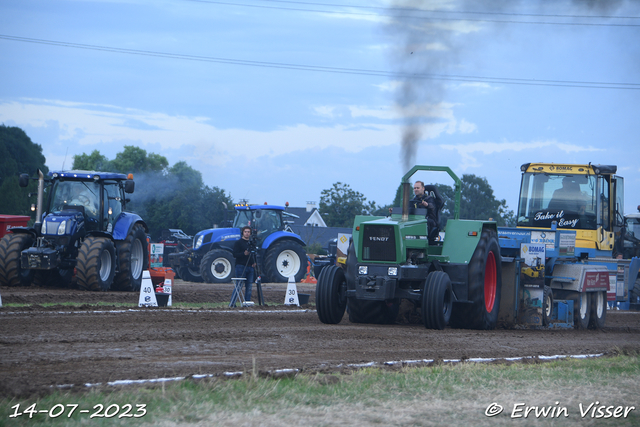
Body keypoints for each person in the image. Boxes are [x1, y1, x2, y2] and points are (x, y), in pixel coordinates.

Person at [231, 226, 256, 304]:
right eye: (245, 232)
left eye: (248, 232)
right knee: (239, 286)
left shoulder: (251, 244)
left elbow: (253, 254)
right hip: (241, 266)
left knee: (249, 287)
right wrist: (243, 254)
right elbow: (234, 254)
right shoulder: (238, 243)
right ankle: (232, 303)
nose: (247, 233)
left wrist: (254, 262)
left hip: (250, 267)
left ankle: (247, 303)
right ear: (243, 232)